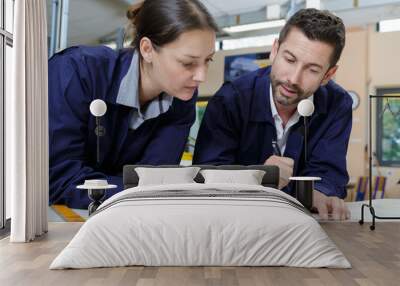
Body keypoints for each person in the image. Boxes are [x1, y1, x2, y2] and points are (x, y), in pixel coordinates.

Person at [49, 0, 218, 209]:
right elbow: (60, 179)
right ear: (147, 49)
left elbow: (155, 182)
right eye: (188, 63)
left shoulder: (181, 99)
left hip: (120, 218)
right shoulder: (76, 71)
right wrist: (142, 191)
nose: (201, 76)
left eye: (208, 60)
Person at [193, 8, 352, 220]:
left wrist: (323, 191)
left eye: (312, 70)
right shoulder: (230, 100)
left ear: (328, 75)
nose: (294, 79)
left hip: (303, 228)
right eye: (289, 59)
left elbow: (329, 171)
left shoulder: (337, 104)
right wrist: (258, 177)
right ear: (274, 50)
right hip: (234, 224)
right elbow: (206, 177)